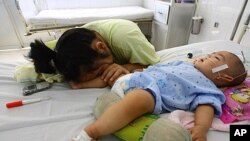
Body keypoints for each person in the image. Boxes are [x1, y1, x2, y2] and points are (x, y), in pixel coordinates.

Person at [72, 51, 247, 141]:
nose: (206, 56)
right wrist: (138, 70)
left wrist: (201, 128)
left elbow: (206, 107)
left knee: (138, 100)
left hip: (152, 93)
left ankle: (93, 131)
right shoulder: (182, 64)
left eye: (215, 58)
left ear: (223, 76)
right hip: (135, 78)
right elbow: (158, 67)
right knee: (112, 77)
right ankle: (84, 84)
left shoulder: (208, 88)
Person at [28, 19, 160, 88]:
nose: (100, 79)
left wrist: (126, 67)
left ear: (102, 47)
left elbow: (155, 65)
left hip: (126, 35)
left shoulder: (127, 39)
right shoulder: (67, 45)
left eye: (101, 73)